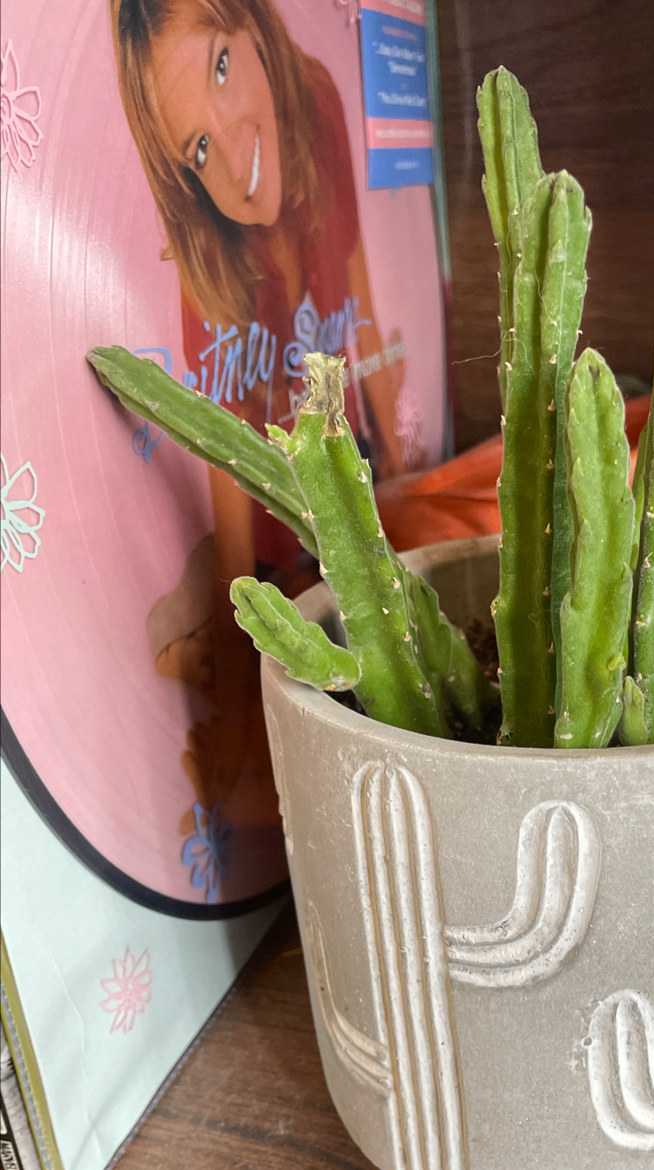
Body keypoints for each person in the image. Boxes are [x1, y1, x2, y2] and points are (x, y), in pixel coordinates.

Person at [111, 0, 408, 832]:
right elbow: (225, 457)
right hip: (269, 522)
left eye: (220, 65)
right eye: (197, 148)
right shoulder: (207, 250)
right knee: (200, 611)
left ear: (252, 28)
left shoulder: (314, 98)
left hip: (339, 490)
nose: (234, 158)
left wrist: (401, 455)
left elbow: (357, 294)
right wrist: (241, 701)